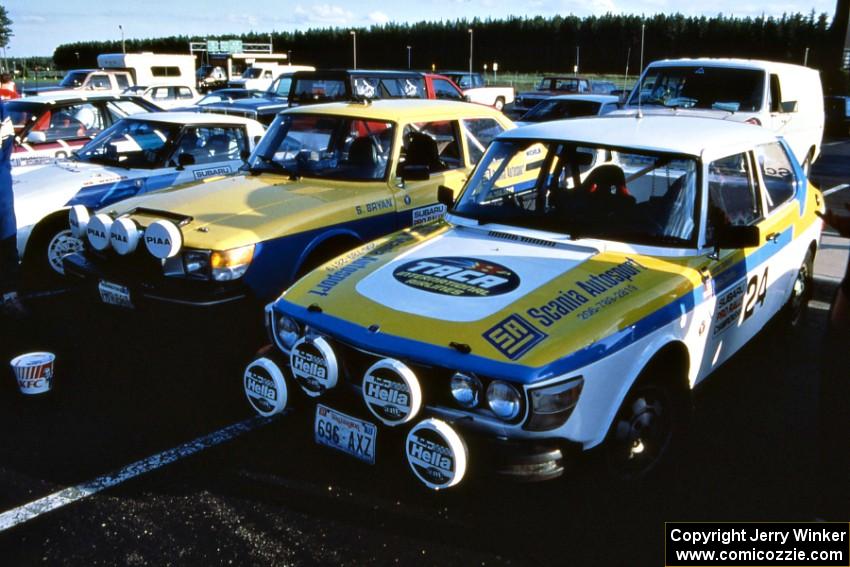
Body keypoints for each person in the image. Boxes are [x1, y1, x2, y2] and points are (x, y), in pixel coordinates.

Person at [0, 100, 24, 318]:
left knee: (7, 248)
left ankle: (9, 295)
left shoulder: (1, 110)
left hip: (2, 194)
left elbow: (5, 147)